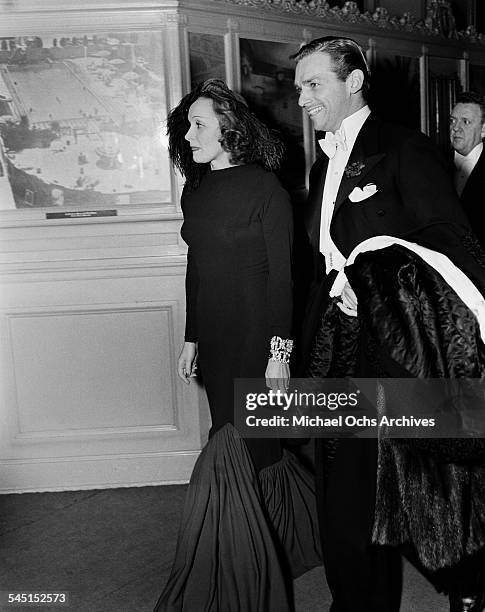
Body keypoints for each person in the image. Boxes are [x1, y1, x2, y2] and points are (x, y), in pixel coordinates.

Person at [293, 36, 485, 612]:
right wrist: (285, 347)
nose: (302, 98)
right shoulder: (323, 160)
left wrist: (372, 275)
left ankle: (471, 585)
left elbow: (454, 244)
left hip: (397, 346)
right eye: (298, 86)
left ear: (353, 82)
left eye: (313, 84)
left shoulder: (405, 148)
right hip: (338, 346)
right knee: (346, 494)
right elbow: (314, 263)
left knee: (427, 485)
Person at [154, 78, 320, 612]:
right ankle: (288, 539)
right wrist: (190, 336)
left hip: (257, 335)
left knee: (240, 445)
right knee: (253, 447)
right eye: (186, 123)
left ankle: (239, 575)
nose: (188, 132)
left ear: (229, 128)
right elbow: (195, 265)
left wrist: (279, 352)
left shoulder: (265, 189)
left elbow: (281, 279)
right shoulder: (196, 190)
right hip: (218, 337)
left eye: (198, 123)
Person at [450, 91, 485, 246]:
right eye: (452, 121)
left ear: (483, 130)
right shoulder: (434, 163)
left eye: (466, 122)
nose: (456, 128)